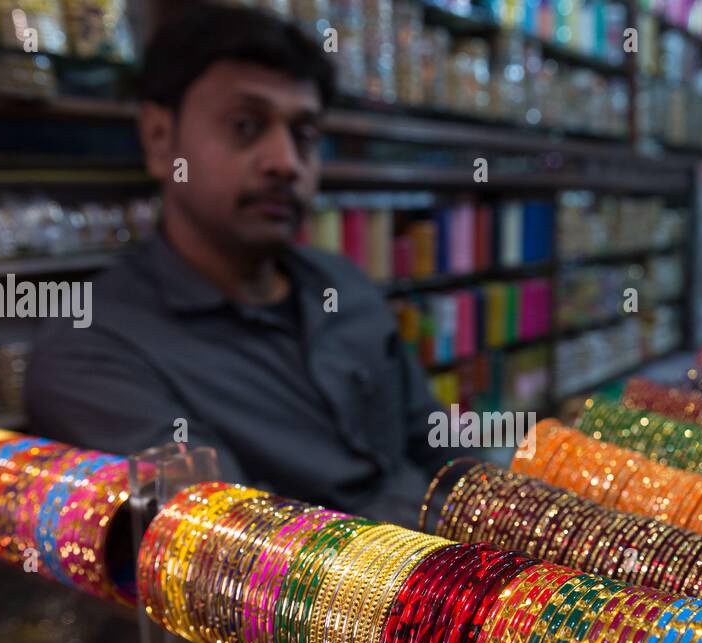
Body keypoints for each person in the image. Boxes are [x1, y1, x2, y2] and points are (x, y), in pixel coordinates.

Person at [27, 3, 452, 525]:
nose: (285, 163)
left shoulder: (343, 284)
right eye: (245, 125)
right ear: (161, 141)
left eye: (304, 136)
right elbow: (235, 558)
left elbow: (437, 449)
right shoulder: (92, 350)